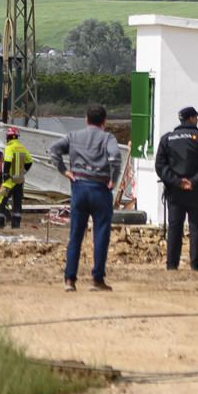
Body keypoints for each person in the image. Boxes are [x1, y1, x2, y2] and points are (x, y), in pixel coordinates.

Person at [51, 104, 123, 291]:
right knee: (101, 235)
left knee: (75, 235)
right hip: (100, 188)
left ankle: (69, 280)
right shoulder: (108, 138)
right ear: (104, 121)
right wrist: (113, 180)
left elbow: (54, 150)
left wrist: (64, 171)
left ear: (86, 119)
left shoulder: (74, 137)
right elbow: (115, 157)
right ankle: (97, 279)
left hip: (79, 187)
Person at [155, 105, 198, 271]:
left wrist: (177, 181)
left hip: (174, 191)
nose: (197, 120)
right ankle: (196, 264)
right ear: (191, 119)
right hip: (197, 190)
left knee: (175, 227)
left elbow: (160, 165)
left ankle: (171, 264)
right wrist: (193, 181)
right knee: (196, 226)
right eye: (196, 117)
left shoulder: (167, 138)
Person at [0, 127, 33, 228]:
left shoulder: (9, 147)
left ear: (8, 136)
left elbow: (7, 161)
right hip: (20, 180)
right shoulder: (22, 147)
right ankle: (16, 224)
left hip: (10, 180)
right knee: (17, 202)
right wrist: (23, 172)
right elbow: (29, 161)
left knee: (1, 199)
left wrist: (5, 175)